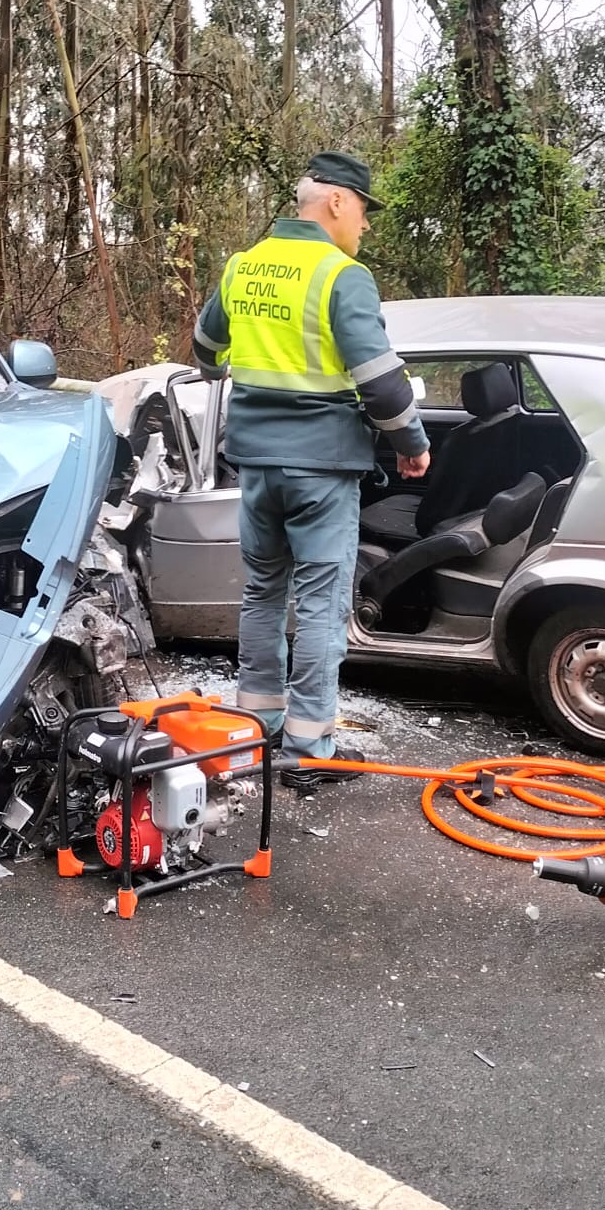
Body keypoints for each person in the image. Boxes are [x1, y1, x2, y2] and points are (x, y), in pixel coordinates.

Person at [191, 152, 430, 792]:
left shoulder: (243, 266)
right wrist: (411, 440)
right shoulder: (342, 275)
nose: (366, 228)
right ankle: (307, 743)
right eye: (363, 212)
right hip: (322, 468)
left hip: (257, 467)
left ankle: (257, 721)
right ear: (336, 203)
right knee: (321, 602)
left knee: (262, 591)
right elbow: (380, 383)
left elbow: (206, 350)